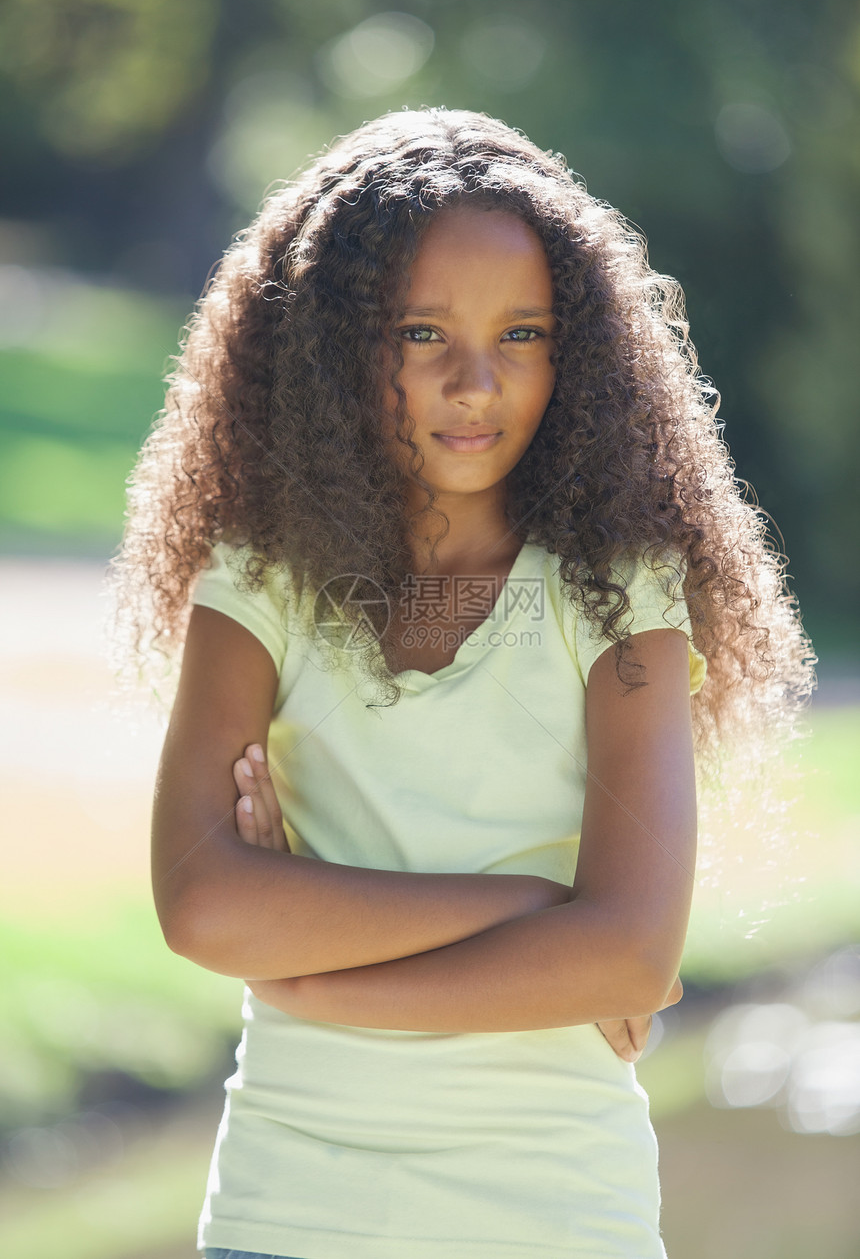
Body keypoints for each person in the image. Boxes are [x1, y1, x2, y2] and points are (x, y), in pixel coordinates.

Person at [105, 108, 816, 1258]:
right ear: (337, 346)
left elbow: (632, 956)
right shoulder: (262, 574)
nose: (475, 383)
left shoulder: (619, 588)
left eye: (522, 333)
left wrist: (321, 979)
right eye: (422, 332)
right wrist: (536, 914)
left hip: (555, 1219)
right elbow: (203, 904)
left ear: (577, 351)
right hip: (287, 1216)